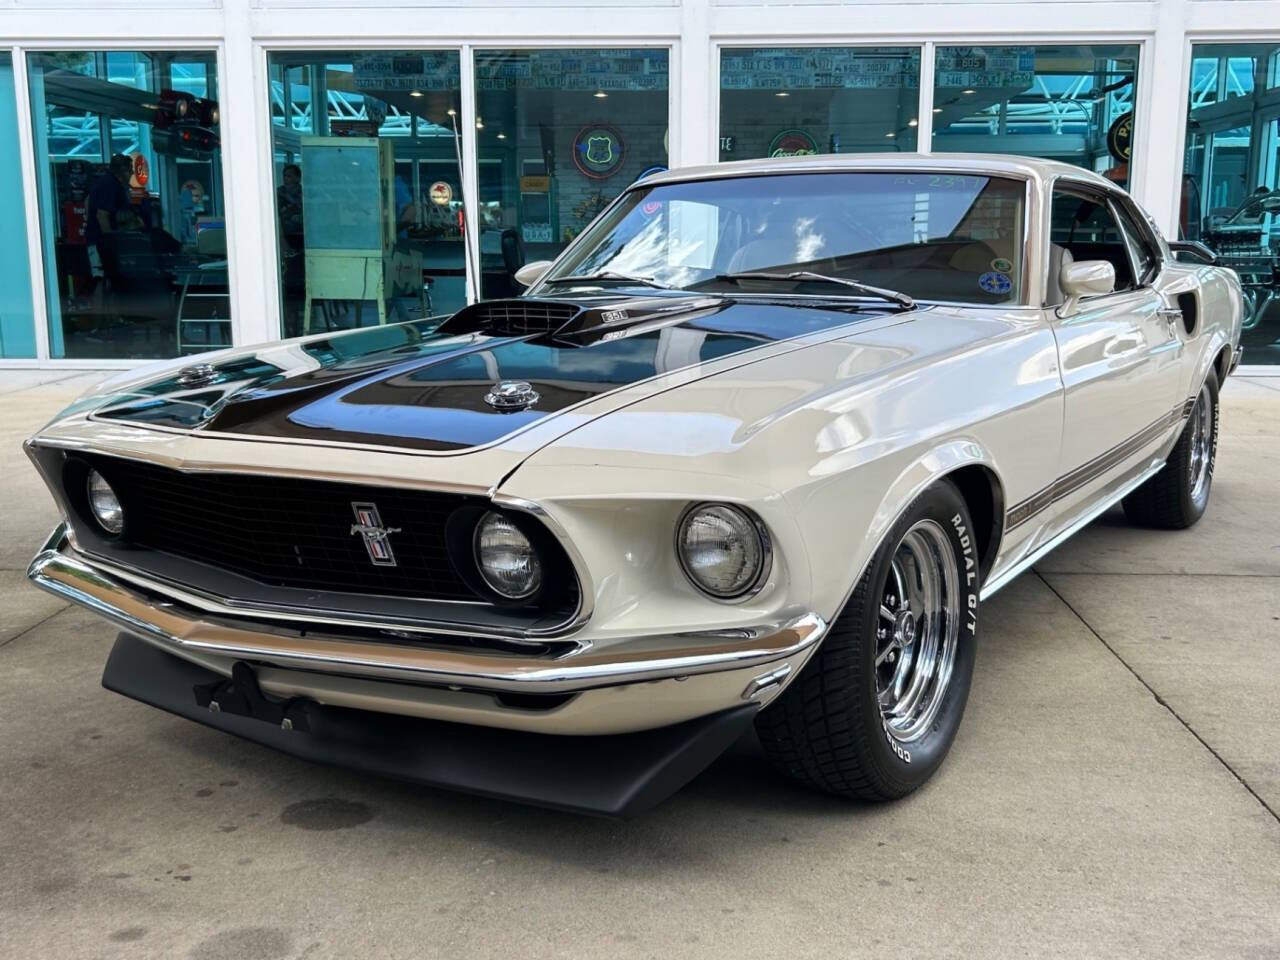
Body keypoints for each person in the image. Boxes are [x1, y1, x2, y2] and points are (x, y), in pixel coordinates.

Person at [85, 154, 133, 276]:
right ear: (122, 171)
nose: (132, 173)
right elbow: (102, 214)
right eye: (129, 170)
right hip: (101, 243)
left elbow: (87, 200)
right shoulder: (110, 186)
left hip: (97, 239)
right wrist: (110, 241)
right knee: (102, 280)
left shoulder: (105, 182)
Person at [276, 163, 304, 253]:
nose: (285, 179)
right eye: (284, 176)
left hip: (303, 236)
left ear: (298, 178)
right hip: (284, 236)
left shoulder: (305, 194)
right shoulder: (278, 194)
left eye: (289, 176)